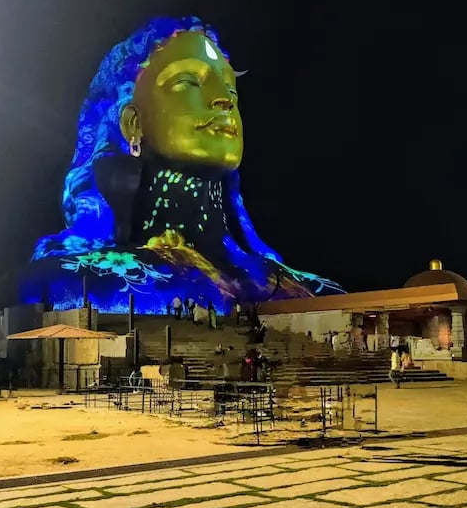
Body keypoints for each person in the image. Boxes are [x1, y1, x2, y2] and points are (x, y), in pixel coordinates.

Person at [26, 17, 345, 313]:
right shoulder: (66, 281)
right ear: (132, 124)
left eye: (230, 87)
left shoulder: (314, 290)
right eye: (189, 81)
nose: (224, 99)